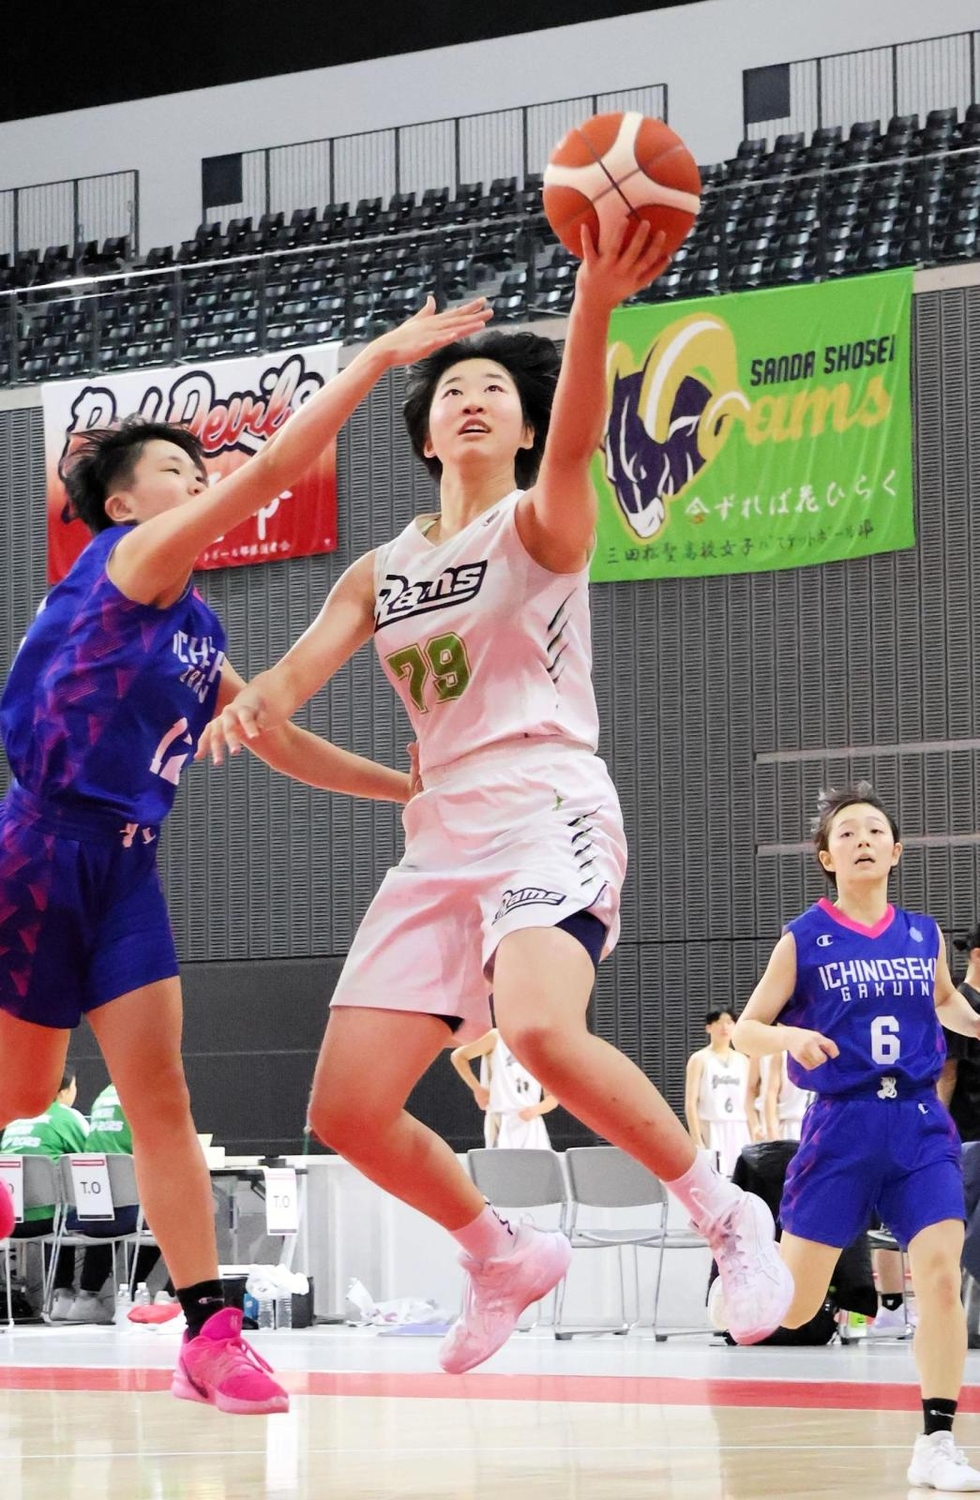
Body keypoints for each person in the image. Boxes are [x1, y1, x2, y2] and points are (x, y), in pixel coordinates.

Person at [202, 221, 794, 1371]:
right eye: (451, 391)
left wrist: (594, 299)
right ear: (423, 434)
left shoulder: (540, 523)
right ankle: (499, 1252)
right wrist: (249, 701)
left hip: (543, 798)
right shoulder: (379, 569)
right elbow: (294, 678)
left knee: (537, 1027)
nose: (471, 399)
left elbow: (579, 430)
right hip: (438, 831)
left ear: (526, 427)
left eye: (494, 391)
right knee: (346, 1111)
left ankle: (724, 1214)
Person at [0, 294, 488, 1414]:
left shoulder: (194, 625)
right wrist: (376, 354)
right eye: (176, 467)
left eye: (197, 466)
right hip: (39, 849)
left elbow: (276, 737)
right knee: (19, 1094)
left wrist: (405, 787)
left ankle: (209, 1332)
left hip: (127, 866)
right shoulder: (131, 560)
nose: (197, 476)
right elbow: (268, 475)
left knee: (161, 1095)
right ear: (124, 503)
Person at [721, 782, 980, 1492]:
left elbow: (946, 1002)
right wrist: (790, 1037)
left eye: (874, 830)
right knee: (793, 1310)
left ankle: (936, 1441)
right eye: (846, 833)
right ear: (827, 858)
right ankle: (738, 1270)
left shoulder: (924, 934)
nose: (862, 839)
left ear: (896, 851)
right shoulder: (804, 938)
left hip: (920, 1126)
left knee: (940, 1277)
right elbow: (746, 1030)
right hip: (842, 1126)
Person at [63, 1082, 169, 1324]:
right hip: (125, 1214)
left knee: (111, 1210)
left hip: (90, 1211)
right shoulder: (144, 1092)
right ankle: (155, 1295)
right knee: (172, 1218)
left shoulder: (104, 1095)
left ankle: (86, 1297)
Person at [1, 1070, 88, 1315]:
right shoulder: (68, 1116)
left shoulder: (15, 1120)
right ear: (63, 1091)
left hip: (7, 1222)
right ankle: (65, 1294)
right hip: (47, 1221)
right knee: (69, 1209)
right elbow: (89, 1157)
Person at [451, 1027, 559, 1147]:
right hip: (501, 1118)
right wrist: (477, 1089)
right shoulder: (496, 1037)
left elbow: (553, 1098)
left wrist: (536, 1110)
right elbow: (458, 1056)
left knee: (538, 1159)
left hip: (531, 1124)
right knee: (500, 1158)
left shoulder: (541, 1046)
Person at [684, 1007, 751, 1175]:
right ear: (708, 1028)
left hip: (739, 1127)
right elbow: (691, 1103)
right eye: (719, 1023)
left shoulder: (743, 1060)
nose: (724, 1027)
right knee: (715, 1177)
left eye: (729, 1023)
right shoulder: (699, 1059)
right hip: (711, 1126)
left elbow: (749, 1100)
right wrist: (697, 1138)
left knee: (739, 1177)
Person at [938, 923, 980, 1144]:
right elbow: (948, 1071)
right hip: (969, 1126)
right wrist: (941, 1125)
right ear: (977, 955)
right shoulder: (961, 1004)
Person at [761, 1051, 811, 1143]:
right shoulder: (781, 1054)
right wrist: (771, 1129)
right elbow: (771, 1092)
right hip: (789, 1123)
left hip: (815, 1123)